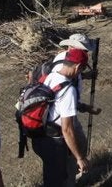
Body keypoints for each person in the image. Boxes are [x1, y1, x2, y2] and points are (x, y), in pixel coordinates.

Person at [31, 49, 90, 187]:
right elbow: (67, 129)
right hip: (55, 142)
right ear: (77, 67)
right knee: (61, 180)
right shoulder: (68, 90)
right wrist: (79, 157)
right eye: (81, 69)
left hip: (40, 136)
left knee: (50, 178)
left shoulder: (50, 77)